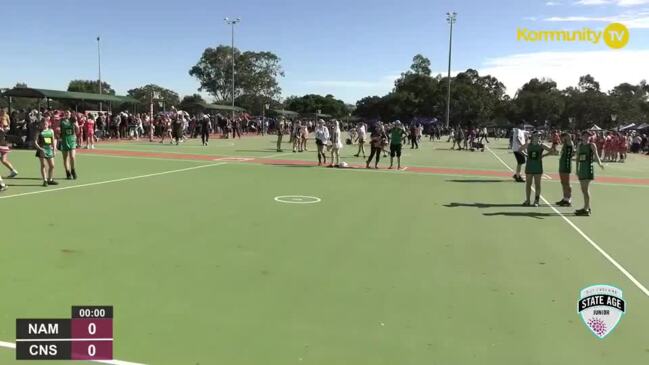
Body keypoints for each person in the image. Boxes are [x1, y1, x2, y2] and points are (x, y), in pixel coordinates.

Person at [519, 132, 553, 207]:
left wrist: (543, 155)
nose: (537, 137)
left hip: (538, 168)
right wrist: (526, 155)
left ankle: (536, 201)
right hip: (529, 167)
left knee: (537, 184)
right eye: (535, 136)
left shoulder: (541, 145)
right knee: (528, 184)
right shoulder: (528, 145)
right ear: (532, 137)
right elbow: (520, 150)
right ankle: (528, 200)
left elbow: (552, 150)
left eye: (538, 136)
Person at [575, 131, 604, 216]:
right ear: (582, 136)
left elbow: (596, 155)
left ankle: (586, 209)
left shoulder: (592, 145)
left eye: (588, 136)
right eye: (585, 135)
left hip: (588, 168)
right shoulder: (579, 145)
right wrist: (577, 169)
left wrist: (600, 163)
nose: (587, 137)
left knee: (585, 189)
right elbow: (577, 158)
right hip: (582, 169)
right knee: (583, 189)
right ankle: (587, 207)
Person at [34, 118, 58, 187]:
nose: (45, 125)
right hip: (42, 150)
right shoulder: (39, 131)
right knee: (43, 165)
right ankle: (45, 180)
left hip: (49, 150)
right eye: (43, 124)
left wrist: (54, 150)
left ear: (48, 124)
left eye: (46, 124)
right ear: (41, 124)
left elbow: (53, 141)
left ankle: (50, 179)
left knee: (52, 165)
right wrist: (40, 149)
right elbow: (35, 142)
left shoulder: (51, 131)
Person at [555, 132, 574, 207]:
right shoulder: (565, 144)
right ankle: (565, 198)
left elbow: (569, 137)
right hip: (562, 164)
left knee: (567, 183)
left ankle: (569, 199)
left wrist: (566, 135)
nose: (561, 139)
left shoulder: (569, 143)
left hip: (566, 164)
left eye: (562, 137)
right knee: (563, 182)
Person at [59, 111, 79, 180]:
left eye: (68, 113)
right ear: (64, 114)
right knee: (65, 158)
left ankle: (73, 170)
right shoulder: (61, 121)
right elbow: (58, 130)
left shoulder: (73, 120)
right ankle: (68, 172)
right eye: (66, 113)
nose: (67, 114)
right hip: (64, 140)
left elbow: (77, 131)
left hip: (72, 140)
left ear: (70, 114)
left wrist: (76, 125)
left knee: (72, 157)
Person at [0, 112, 18, 178]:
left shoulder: (3, 128)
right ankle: (13, 171)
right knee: (3, 160)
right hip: (4, 145)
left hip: (2, 145)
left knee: (3, 160)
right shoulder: (5, 128)